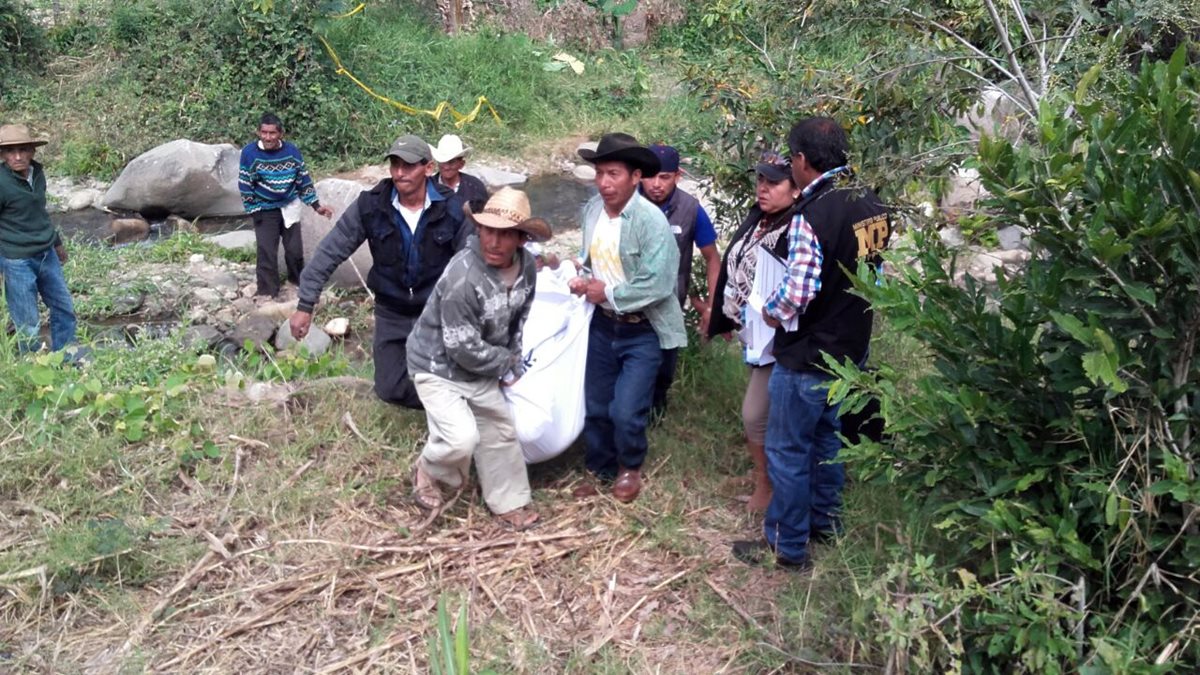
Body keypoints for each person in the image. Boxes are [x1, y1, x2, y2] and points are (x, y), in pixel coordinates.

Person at [732, 117, 891, 572]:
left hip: (808, 357)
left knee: (787, 450)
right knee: (829, 441)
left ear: (801, 160)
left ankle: (787, 544)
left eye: (791, 158)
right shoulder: (872, 201)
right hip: (851, 350)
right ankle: (825, 521)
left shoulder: (812, 214)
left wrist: (769, 309)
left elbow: (797, 294)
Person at [289, 134, 470, 408]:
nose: (399, 173)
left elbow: (472, 259)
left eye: (408, 166)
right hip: (392, 312)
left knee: (453, 376)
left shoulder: (452, 207)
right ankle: (437, 403)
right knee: (389, 389)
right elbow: (330, 251)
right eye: (395, 164)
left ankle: (448, 409)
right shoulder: (371, 205)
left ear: (428, 168)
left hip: (436, 311)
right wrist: (305, 304)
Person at [407, 187, 550, 530]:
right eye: (488, 231)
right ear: (478, 230)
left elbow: (521, 317)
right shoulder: (463, 277)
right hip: (436, 367)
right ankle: (428, 467)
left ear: (521, 239)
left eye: (505, 235)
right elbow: (461, 347)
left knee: (499, 430)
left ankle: (509, 501)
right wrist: (504, 363)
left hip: (480, 368)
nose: (494, 242)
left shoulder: (527, 267)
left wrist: (512, 356)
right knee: (461, 438)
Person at [569, 133, 685, 503]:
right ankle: (599, 467)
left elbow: (660, 282)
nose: (604, 183)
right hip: (603, 323)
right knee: (598, 402)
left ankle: (629, 467)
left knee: (626, 407)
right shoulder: (591, 212)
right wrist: (579, 274)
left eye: (614, 174)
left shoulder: (651, 221)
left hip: (643, 329)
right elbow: (591, 259)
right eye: (600, 173)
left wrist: (610, 293)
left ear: (636, 177)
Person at [706, 150, 801, 513]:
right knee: (768, 413)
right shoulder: (759, 217)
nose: (763, 188)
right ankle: (768, 475)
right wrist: (726, 315)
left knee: (754, 414)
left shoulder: (796, 227)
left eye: (773, 182)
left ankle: (767, 484)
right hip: (753, 335)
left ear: (795, 189)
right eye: (760, 180)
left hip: (776, 340)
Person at [639, 144, 721, 418]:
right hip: (627, 303)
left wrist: (712, 305)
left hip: (670, 303)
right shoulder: (626, 203)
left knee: (664, 369)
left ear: (678, 176)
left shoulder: (691, 209)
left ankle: (656, 417)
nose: (656, 184)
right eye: (649, 176)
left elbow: (712, 257)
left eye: (664, 177)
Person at [238, 112, 333, 298]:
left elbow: (303, 179)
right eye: (264, 133)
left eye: (272, 133)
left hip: (289, 205)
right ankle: (267, 292)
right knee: (266, 251)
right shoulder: (249, 153)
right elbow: (244, 183)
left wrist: (316, 205)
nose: (268, 138)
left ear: (280, 134)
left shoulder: (292, 152)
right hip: (264, 208)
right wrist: (253, 210)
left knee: (295, 250)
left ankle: (297, 284)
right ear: (258, 132)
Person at [0, 124, 77, 353]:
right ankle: (33, 373)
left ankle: (66, 359)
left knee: (64, 309)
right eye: (10, 151)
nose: (17, 156)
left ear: (32, 151)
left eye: (23, 150)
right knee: (28, 323)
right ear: (2, 155)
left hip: (46, 254)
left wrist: (57, 243)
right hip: (17, 260)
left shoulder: (37, 174)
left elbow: (40, 213)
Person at [431, 134, 489, 214]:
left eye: (451, 162)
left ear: (461, 164)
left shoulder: (475, 186)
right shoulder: (429, 186)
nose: (446, 167)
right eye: (442, 162)